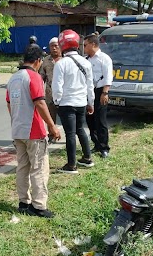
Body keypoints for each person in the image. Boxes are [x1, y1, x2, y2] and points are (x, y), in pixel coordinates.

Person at [6, 44, 61, 218]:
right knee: (39, 168)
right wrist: (52, 126)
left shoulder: (13, 78)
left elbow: (9, 104)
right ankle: (39, 206)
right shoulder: (34, 77)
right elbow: (40, 103)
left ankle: (24, 202)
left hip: (18, 130)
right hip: (34, 131)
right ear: (38, 61)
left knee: (22, 167)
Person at [52, 29, 95, 173]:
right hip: (81, 103)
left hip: (67, 104)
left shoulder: (61, 63)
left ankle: (71, 165)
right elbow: (90, 86)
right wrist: (91, 102)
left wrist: (56, 101)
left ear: (62, 45)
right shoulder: (86, 63)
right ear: (77, 44)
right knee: (80, 130)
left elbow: (57, 87)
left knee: (70, 133)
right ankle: (87, 158)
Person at [84, 34, 113, 158]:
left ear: (93, 44)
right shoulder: (86, 60)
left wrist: (105, 92)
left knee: (100, 120)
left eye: (85, 45)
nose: (83, 47)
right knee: (90, 119)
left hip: (100, 91)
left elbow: (108, 76)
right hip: (89, 91)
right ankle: (96, 143)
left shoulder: (104, 58)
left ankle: (104, 147)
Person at [38, 37, 61, 124]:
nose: (54, 48)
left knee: (66, 119)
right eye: (52, 46)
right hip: (50, 95)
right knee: (51, 119)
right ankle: (52, 135)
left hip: (64, 96)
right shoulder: (46, 60)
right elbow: (41, 78)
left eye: (56, 46)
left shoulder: (66, 59)